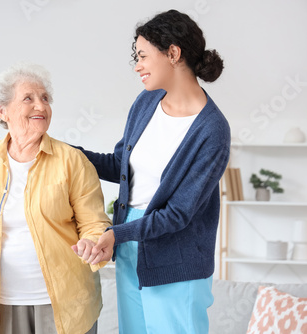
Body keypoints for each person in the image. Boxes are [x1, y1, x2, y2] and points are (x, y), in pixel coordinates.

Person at [74, 9, 231, 334]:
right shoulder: (145, 103)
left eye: (143, 56)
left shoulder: (212, 130)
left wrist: (117, 234)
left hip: (176, 259)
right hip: (130, 245)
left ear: (173, 53)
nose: (137, 65)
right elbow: (121, 166)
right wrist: (69, 153)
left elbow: (177, 215)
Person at [0, 62, 111, 334]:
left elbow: (95, 223)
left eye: (45, 98)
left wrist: (91, 244)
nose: (41, 106)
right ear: (3, 111)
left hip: (65, 302)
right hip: (1, 302)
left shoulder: (72, 161)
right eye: (28, 98)